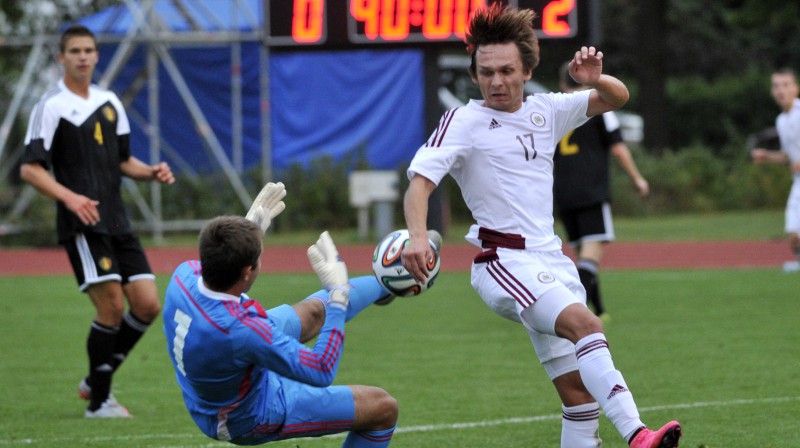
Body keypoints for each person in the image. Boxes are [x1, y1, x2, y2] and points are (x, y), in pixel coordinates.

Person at [401, 5, 681, 448]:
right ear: (474, 75)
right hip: (503, 261)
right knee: (587, 326)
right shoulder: (463, 121)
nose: (496, 81)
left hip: (551, 260)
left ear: (527, 69)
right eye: (486, 71)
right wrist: (418, 235)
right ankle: (638, 434)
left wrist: (596, 80)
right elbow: (419, 184)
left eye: (507, 70)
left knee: (579, 397)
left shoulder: (547, 111)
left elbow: (618, 97)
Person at [163, 181, 399, 446]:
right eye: (258, 258)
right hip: (246, 415)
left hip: (215, 381)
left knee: (311, 313)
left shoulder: (183, 276)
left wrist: (246, 231)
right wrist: (338, 294)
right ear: (246, 272)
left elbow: (221, 261)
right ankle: (384, 285)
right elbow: (321, 369)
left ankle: (389, 284)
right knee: (383, 408)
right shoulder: (242, 329)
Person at [19, 24, 175, 418]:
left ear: (96, 56)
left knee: (147, 305)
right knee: (110, 307)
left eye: (89, 50)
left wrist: (150, 171)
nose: (83, 57)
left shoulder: (109, 103)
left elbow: (124, 161)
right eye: (75, 51)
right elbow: (31, 169)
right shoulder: (50, 107)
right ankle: (100, 401)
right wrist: (71, 198)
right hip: (84, 224)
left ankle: (93, 381)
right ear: (62, 58)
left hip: (118, 220)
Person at [553, 61, 650, 320]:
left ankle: (599, 310)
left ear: (563, 84)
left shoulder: (554, 109)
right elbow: (618, 148)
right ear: (584, 79)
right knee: (590, 258)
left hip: (562, 194)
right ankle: (573, 313)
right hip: (592, 191)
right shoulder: (598, 108)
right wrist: (638, 178)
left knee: (584, 258)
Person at [751, 68, 800, 272]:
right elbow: (788, 156)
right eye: (777, 86)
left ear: (796, 89)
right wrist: (768, 156)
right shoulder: (781, 120)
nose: (781, 90)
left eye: (786, 85)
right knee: (794, 232)